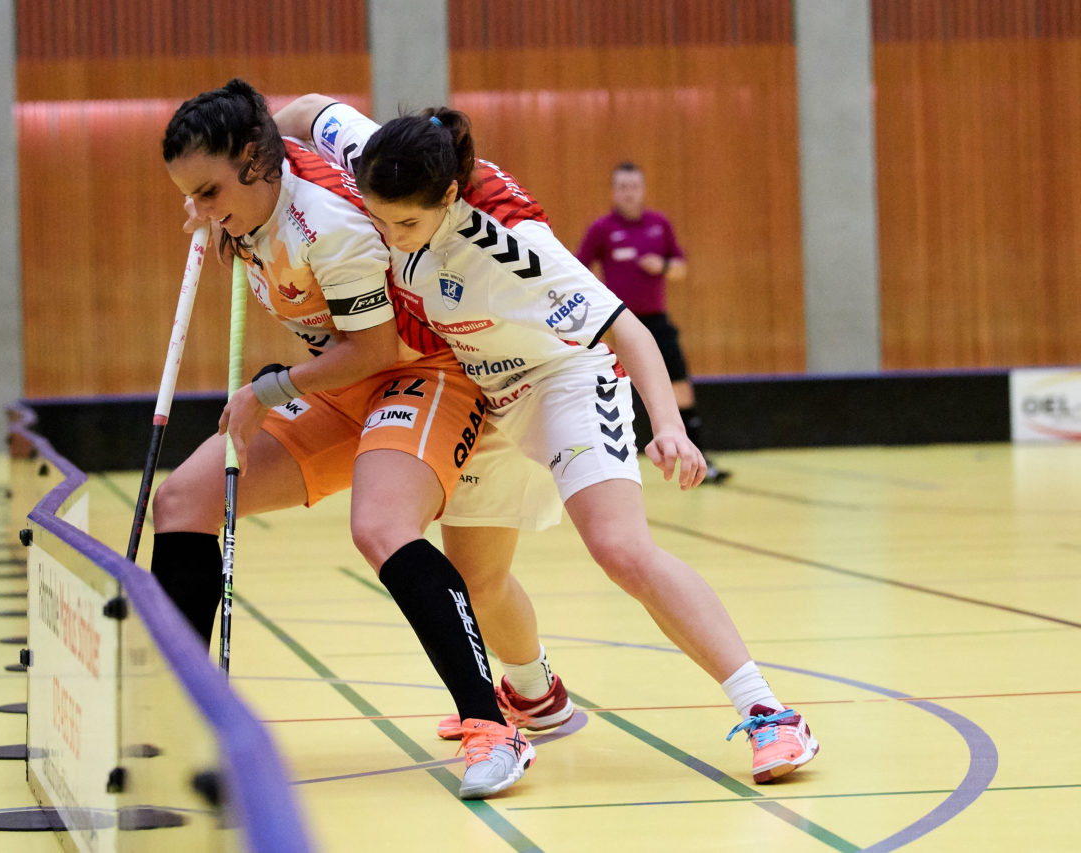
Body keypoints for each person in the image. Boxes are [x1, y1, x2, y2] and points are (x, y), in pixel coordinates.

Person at [274, 95, 819, 784]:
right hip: (486, 388)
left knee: (620, 547)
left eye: (406, 223)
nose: (391, 236)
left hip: (564, 378)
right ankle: (536, 693)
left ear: (448, 194)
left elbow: (630, 331)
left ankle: (770, 713)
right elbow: (308, 110)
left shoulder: (511, 246)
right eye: (380, 220)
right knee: (474, 579)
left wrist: (672, 429)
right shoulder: (381, 155)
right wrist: (254, 154)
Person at [150, 79, 534, 799]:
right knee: (182, 501)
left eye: (207, 191)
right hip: (335, 375)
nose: (199, 212)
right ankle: (182, 712)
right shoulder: (254, 192)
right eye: (190, 197)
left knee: (381, 525)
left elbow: (376, 350)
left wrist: (270, 388)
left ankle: (493, 726)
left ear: (251, 159)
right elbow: (291, 108)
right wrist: (218, 217)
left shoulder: (327, 226)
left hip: (416, 370)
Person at [577, 163, 729, 483]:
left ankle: (698, 458)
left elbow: (680, 268)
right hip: (616, 325)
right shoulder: (602, 228)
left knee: (681, 389)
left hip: (657, 322)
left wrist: (661, 265)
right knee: (601, 387)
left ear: (643, 189)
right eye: (622, 186)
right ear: (613, 191)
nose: (628, 192)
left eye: (634, 185)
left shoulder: (659, 225)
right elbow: (578, 270)